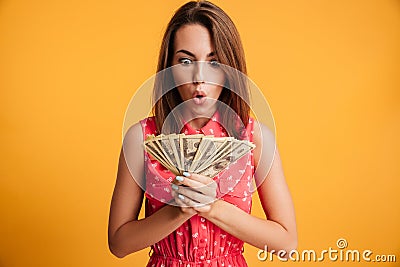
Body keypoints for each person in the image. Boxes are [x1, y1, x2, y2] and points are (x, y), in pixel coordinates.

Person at [108, 1, 297, 266]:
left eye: (214, 62)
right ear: (170, 69)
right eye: (185, 61)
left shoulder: (254, 138)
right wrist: (178, 211)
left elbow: (287, 243)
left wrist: (211, 207)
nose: (199, 77)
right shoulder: (142, 137)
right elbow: (118, 243)